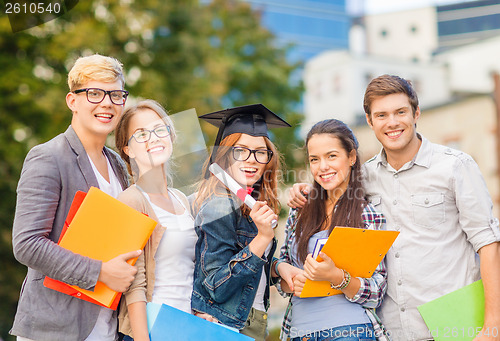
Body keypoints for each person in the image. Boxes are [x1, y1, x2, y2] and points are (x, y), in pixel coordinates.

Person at [287, 74, 500, 341]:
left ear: (416, 113)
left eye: (400, 112)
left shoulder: (455, 166)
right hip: (392, 330)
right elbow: (330, 187)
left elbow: (488, 243)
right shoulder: (364, 177)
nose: (392, 123)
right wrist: (304, 191)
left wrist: (492, 327)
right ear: (369, 121)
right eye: (382, 115)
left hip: (454, 326)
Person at [11, 54, 140, 341]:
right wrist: (100, 272)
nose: (107, 103)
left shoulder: (119, 165)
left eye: (116, 95)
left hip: (107, 328)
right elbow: (27, 244)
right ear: (73, 101)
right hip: (55, 330)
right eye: (94, 93)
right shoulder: (48, 157)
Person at [274, 119, 388, 341]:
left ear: (352, 157)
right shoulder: (299, 211)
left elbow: (376, 292)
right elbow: (283, 271)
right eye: (314, 159)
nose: (322, 167)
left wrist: (336, 276)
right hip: (300, 333)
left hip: (349, 331)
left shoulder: (367, 214)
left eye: (332, 156)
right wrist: (290, 280)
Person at [114, 100, 214, 341]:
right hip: (152, 330)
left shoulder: (181, 200)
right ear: (127, 149)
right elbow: (133, 284)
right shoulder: (131, 200)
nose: (154, 138)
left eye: (160, 130)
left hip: (186, 328)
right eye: (141, 134)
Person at [191, 104, 290, 340]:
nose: (252, 160)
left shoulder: (248, 204)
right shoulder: (219, 205)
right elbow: (216, 286)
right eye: (241, 150)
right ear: (224, 155)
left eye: (260, 152)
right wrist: (263, 237)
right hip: (227, 325)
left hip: (252, 320)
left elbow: (241, 259)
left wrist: (277, 268)